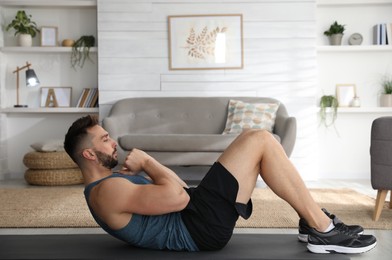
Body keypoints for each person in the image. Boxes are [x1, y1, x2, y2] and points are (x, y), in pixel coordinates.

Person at [64, 115, 376, 254]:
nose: (113, 142)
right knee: (260, 139)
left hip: (195, 213)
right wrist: (147, 163)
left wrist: (151, 168)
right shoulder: (108, 191)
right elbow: (180, 199)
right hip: (198, 228)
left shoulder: (112, 182)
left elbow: (179, 188)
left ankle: (313, 223)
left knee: (254, 140)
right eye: (105, 140)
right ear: (89, 154)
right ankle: (323, 230)